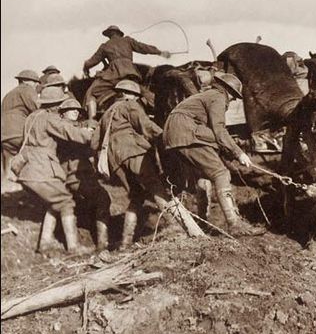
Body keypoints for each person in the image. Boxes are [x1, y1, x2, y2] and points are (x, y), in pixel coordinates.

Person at [163, 73, 264, 237]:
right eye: (234, 96)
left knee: (203, 176)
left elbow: (212, 134)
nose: (233, 100)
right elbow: (219, 131)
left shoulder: (207, 95)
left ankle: (203, 222)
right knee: (221, 173)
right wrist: (239, 153)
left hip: (175, 135)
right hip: (186, 133)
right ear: (228, 90)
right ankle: (235, 224)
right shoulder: (218, 97)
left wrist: (228, 151)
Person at [90, 79, 184, 249]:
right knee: (156, 186)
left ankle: (126, 242)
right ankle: (176, 228)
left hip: (114, 161)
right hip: (133, 152)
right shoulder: (130, 105)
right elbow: (145, 125)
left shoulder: (106, 114)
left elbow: (94, 143)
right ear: (130, 95)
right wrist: (167, 135)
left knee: (137, 195)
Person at [16, 87, 95, 255]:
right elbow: (69, 131)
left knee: (54, 203)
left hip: (27, 169)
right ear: (54, 105)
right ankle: (74, 247)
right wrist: (90, 135)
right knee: (66, 202)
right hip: (43, 169)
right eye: (60, 104)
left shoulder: (31, 117)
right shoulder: (49, 118)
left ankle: (44, 243)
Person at [83, 25, 171, 120]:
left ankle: (92, 122)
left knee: (91, 92)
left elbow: (92, 61)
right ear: (119, 33)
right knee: (143, 91)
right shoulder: (127, 40)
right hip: (131, 74)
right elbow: (143, 48)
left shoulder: (105, 46)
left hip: (113, 75)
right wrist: (160, 52)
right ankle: (157, 107)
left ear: (109, 34)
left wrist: (85, 66)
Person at [56, 98, 111, 252]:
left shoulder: (67, 127)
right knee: (103, 198)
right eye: (71, 109)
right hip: (75, 175)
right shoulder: (67, 128)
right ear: (62, 113)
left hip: (69, 175)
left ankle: (80, 243)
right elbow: (85, 146)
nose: (76, 111)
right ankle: (102, 244)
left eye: (78, 110)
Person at [1, 70, 40, 190]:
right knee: (36, 154)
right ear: (26, 81)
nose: (36, 85)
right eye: (35, 82)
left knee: (9, 163)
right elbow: (38, 108)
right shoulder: (27, 90)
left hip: (3, 133)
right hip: (18, 131)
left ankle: (8, 189)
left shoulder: (8, 94)